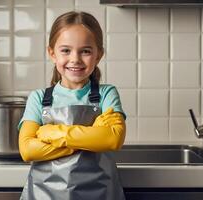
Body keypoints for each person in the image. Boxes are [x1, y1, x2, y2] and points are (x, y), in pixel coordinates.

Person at [18, 11, 126, 200]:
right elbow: (27, 150)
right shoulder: (38, 98)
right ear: (52, 53)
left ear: (98, 55)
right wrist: (90, 138)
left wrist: (55, 133)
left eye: (85, 51)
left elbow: (113, 139)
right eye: (66, 50)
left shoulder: (106, 94)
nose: (75, 58)